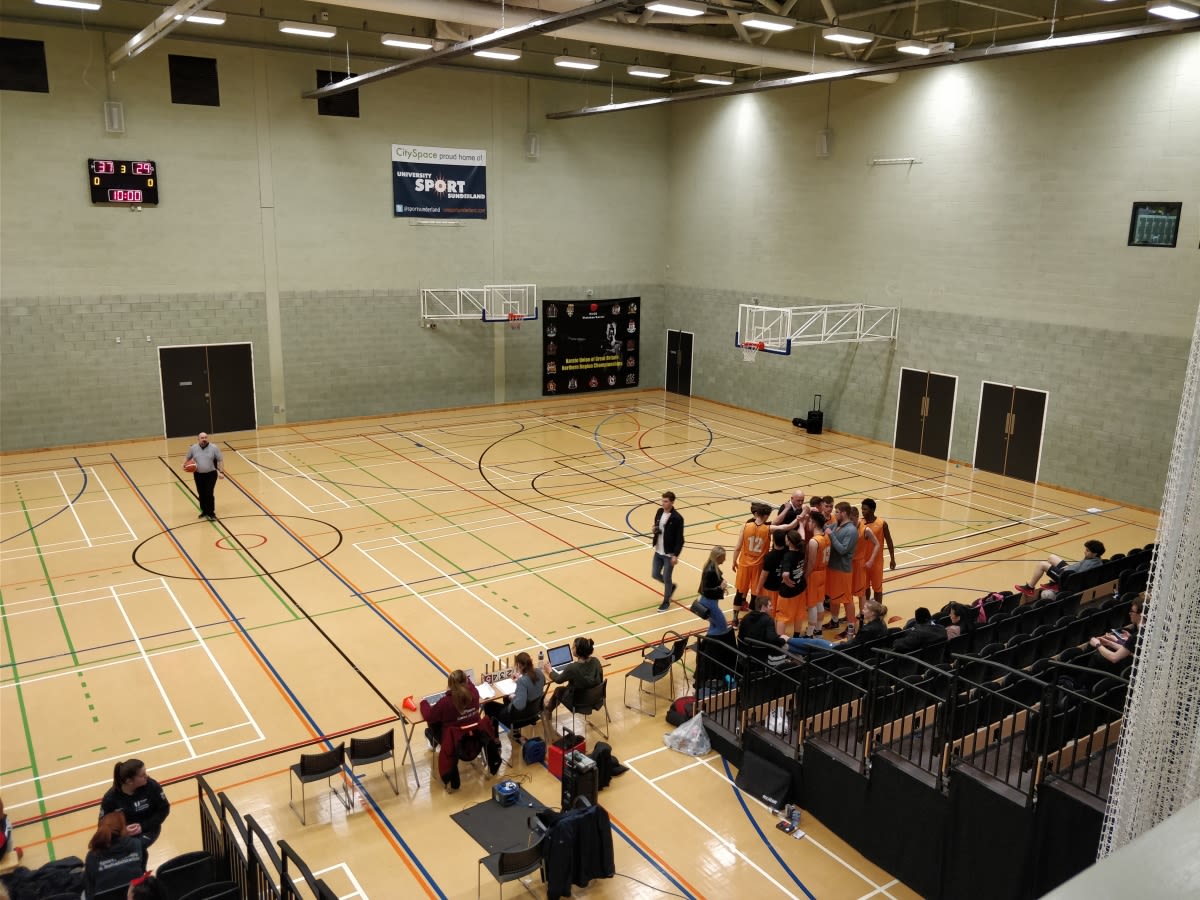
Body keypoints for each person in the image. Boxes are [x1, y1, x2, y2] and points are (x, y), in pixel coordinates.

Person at [420, 669, 499, 790]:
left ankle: (431, 738)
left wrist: (423, 703)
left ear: (450, 685)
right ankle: (430, 737)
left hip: (454, 741)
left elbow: (429, 716)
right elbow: (470, 686)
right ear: (466, 681)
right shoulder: (474, 693)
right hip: (475, 737)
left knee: (433, 723)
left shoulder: (446, 702)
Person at [99, 760, 170, 849]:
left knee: (135, 847)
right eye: (142, 775)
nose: (147, 776)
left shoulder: (151, 786)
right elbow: (102, 825)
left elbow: (164, 809)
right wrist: (122, 831)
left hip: (148, 828)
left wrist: (142, 827)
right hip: (122, 834)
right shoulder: (110, 798)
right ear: (129, 781)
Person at [785, 599, 889, 655]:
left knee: (816, 643)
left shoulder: (867, 629)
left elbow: (852, 646)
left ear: (872, 613)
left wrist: (840, 644)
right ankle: (787, 645)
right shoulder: (881, 624)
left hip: (848, 653)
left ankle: (786, 641)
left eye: (865, 609)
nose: (862, 610)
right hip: (859, 651)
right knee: (814, 646)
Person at [84, 812, 147, 899]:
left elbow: (89, 890)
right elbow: (142, 871)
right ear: (123, 828)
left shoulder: (92, 856)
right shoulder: (136, 844)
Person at [483, 651, 545, 738]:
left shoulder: (522, 681)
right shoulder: (539, 672)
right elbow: (538, 685)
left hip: (520, 718)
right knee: (506, 699)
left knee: (488, 705)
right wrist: (520, 682)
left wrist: (513, 697)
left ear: (519, 665)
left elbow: (519, 706)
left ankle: (495, 739)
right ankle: (515, 731)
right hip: (534, 712)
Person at [1015, 539, 1105, 598]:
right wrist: (1067, 568)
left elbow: (1076, 577)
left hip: (1067, 579)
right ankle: (1054, 584)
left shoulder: (1089, 565)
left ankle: (1029, 588)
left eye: (1087, 551)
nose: (1084, 552)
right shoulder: (1097, 560)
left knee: (1042, 565)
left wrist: (1064, 572)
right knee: (1052, 557)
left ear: (1095, 554)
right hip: (1069, 571)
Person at [731, 502, 772, 623]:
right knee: (755, 594)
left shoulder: (745, 526)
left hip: (744, 564)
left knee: (739, 592)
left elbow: (738, 547)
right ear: (766, 515)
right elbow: (784, 526)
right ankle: (750, 621)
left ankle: (735, 620)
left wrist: (734, 561)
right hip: (758, 566)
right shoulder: (768, 529)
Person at [543, 637, 603, 718]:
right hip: (596, 697)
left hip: (579, 702)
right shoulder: (596, 661)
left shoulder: (573, 668)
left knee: (558, 690)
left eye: (573, 647)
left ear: (579, 650)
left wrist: (550, 671)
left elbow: (558, 680)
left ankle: (548, 711)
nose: (572, 648)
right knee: (570, 686)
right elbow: (599, 678)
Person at [825, 502, 858, 633]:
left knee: (846, 599)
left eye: (837, 512)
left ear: (844, 513)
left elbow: (843, 550)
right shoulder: (836, 525)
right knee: (833, 596)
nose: (835, 514)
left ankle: (851, 626)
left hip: (843, 570)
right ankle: (834, 621)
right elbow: (824, 527)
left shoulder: (851, 530)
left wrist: (831, 535)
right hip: (832, 567)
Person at [650, 491, 685, 611]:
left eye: (666, 501)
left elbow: (680, 539)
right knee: (655, 574)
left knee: (666, 577)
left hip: (669, 553)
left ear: (672, 502)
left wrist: (675, 555)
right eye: (662, 501)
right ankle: (671, 587)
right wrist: (654, 529)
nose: (663, 503)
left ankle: (666, 601)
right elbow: (656, 525)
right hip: (658, 551)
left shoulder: (677, 518)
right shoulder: (659, 511)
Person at [1088, 595, 1143, 670]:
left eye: (1132, 611)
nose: (1129, 613)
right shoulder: (1145, 632)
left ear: (1141, 615)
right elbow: (1128, 650)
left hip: (1132, 669)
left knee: (1097, 657)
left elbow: (1114, 658)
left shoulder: (1137, 636)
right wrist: (1109, 643)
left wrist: (1097, 644)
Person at [800, 511, 830, 638]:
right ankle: (818, 630)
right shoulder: (826, 537)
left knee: (812, 604)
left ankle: (809, 633)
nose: (808, 523)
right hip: (823, 572)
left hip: (814, 574)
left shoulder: (814, 541)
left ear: (814, 523)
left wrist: (805, 576)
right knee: (819, 602)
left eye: (809, 521)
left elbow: (811, 563)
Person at [183, 432, 226, 520]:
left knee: (209, 493)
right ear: (198, 439)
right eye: (202, 438)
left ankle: (211, 513)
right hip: (198, 475)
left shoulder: (214, 448)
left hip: (211, 474)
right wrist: (184, 465)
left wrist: (221, 472)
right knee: (201, 493)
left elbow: (220, 460)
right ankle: (204, 511)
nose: (204, 439)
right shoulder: (193, 448)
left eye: (206, 437)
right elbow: (187, 458)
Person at [861, 499, 897, 601]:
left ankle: (878, 609)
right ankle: (866, 607)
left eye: (865, 509)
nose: (862, 511)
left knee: (877, 589)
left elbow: (889, 542)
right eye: (862, 509)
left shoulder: (882, 524)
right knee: (865, 588)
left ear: (872, 510)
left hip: (876, 562)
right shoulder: (860, 523)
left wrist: (892, 559)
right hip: (863, 562)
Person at [773, 531, 807, 639]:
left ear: (790, 542)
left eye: (786, 538)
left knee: (782, 617)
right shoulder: (802, 551)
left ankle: (781, 641)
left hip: (788, 592)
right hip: (800, 587)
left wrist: (786, 580)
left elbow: (785, 573)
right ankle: (796, 637)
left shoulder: (788, 556)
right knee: (799, 615)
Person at [850, 506, 879, 623]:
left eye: (851, 519)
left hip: (859, 564)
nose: (849, 521)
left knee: (860, 593)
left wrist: (871, 560)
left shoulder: (865, 530)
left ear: (857, 517)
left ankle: (862, 615)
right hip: (847, 563)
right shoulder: (847, 527)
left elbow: (877, 544)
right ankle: (850, 615)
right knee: (848, 592)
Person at [696, 547, 732, 640]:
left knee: (714, 625)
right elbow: (706, 590)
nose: (725, 559)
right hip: (709, 603)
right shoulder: (711, 570)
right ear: (718, 557)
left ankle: (708, 644)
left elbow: (713, 581)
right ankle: (707, 642)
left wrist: (721, 585)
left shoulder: (711, 566)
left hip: (708, 601)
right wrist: (720, 588)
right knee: (722, 627)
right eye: (723, 557)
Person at [738, 595, 784, 662]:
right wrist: (782, 640)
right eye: (770, 606)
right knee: (786, 648)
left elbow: (740, 636)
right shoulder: (768, 620)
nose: (772, 608)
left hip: (744, 653)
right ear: (763, 607)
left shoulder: (746, 617)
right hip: (761, 657)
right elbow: (772, 640)